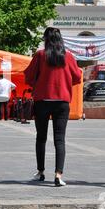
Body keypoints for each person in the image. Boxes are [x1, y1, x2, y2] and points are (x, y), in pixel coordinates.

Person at [24, 27, 82, 187]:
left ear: (46, 39)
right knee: (60, 139)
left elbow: (28, 76)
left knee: (41, 137)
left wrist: (38, 82)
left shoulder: (40, 55)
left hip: (42, 101)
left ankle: (41, 172)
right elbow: (77, 77)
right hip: (62, 102)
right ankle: (58, 174)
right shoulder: (68, 56)